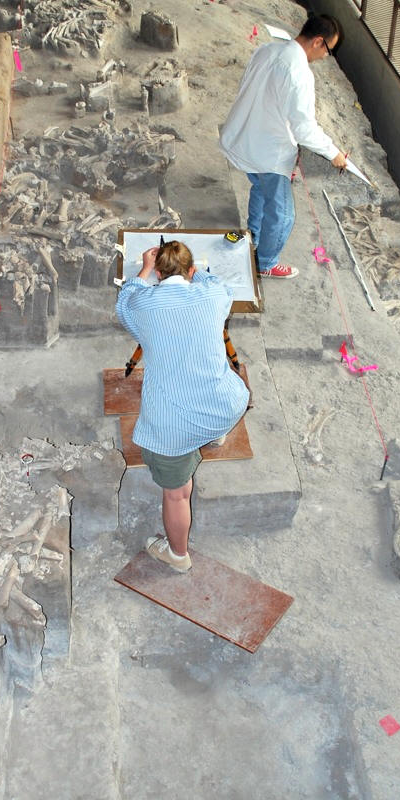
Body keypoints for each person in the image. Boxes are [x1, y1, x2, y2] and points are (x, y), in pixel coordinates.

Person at [115, 241, 250, 572]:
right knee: (219, 403)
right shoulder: (213, 296)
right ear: (191, 271)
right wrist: (198, 270)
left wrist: (143, 270)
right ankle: (213, 435)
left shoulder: (145, 305)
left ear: (159, 274)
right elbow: (216, 282)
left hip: (174, 427)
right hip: (228, 405)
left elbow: (124, 304)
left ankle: (177, 556)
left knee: (177, 494)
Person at [219, 14, 348, 278]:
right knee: (283, 215)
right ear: (318, 42)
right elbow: (304, 128)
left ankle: (252, 234)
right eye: (329, 50)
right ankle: (264, 263)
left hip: (244, 134)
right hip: (269, 150)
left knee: (260, 188)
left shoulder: (268, 49)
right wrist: (333, 153)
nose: (326, 56)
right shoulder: (299, 73)